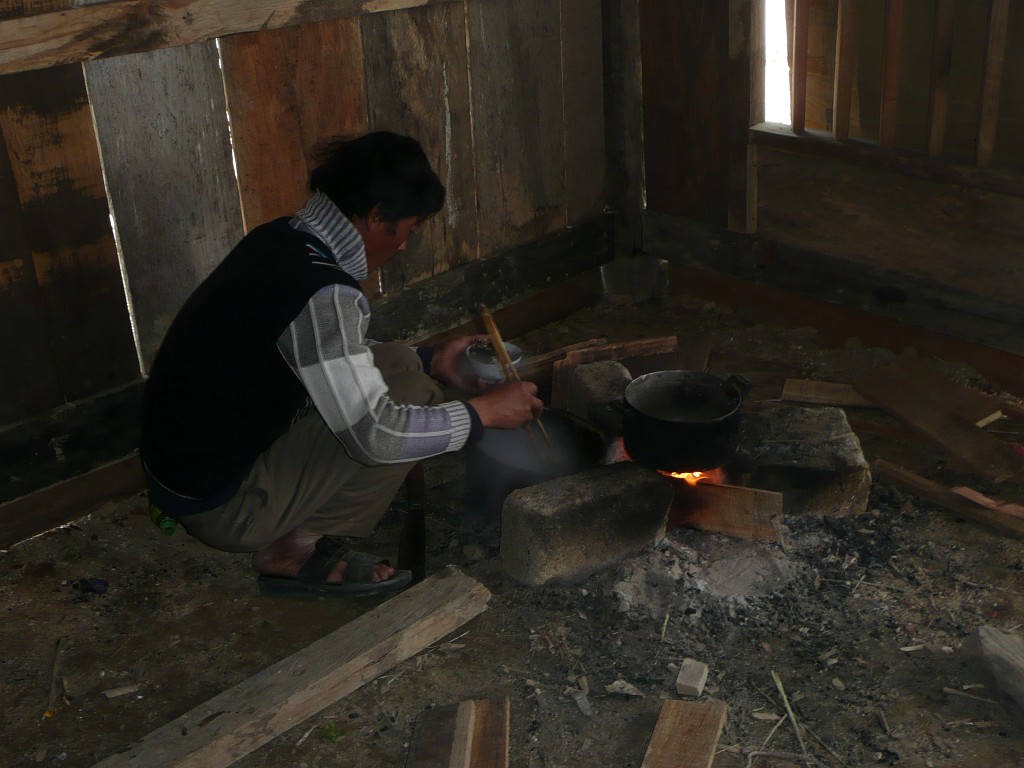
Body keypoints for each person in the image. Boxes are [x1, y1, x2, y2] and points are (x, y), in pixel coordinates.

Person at [140, 131, 542, 597]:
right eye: (409, 228)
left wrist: (434, 359)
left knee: (397, 363)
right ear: (376, 217)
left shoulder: (282, 239)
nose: (406, 245)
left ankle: (292, 516)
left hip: (182, 468)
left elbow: (318, 349)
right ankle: (290, 549)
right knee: (411, 400)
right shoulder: (324, 294)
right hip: (224, 505)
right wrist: (483, 414)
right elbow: (378, 437)